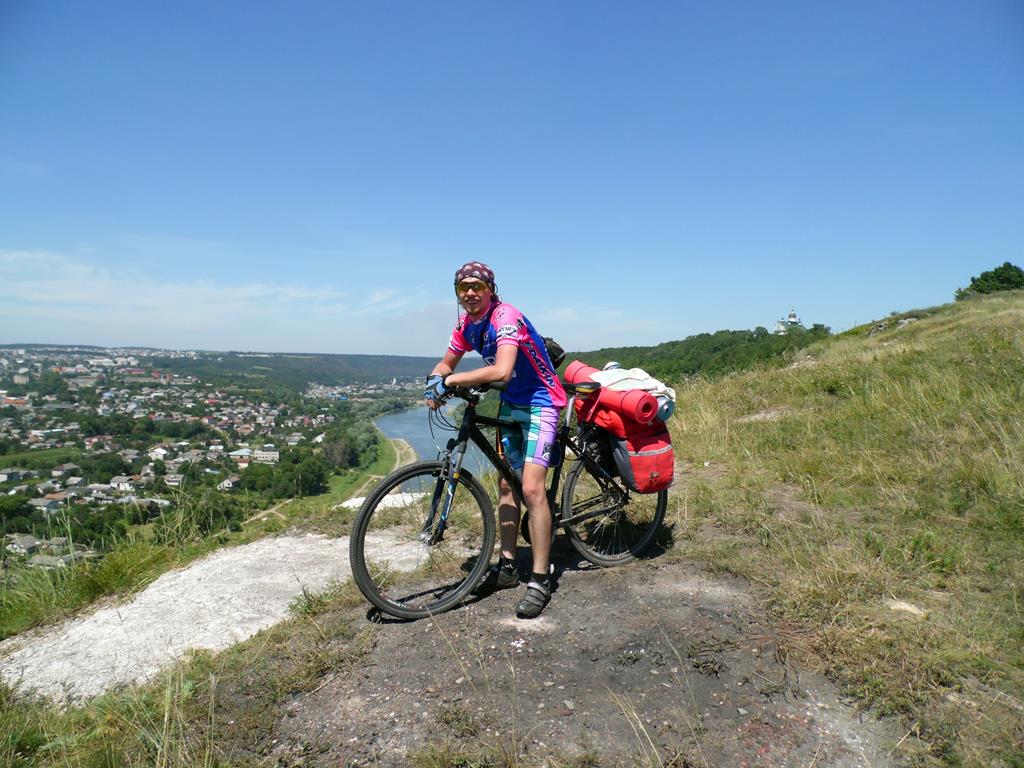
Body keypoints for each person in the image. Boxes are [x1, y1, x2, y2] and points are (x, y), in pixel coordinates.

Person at [424, 261, 567, 619]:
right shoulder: (466, 325)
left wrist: (451, 382)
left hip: (541, 402)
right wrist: (434, 380)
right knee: (506, 485)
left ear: (491, 290)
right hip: (511, 403)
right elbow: (446, 363)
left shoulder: (505, 317)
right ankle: (507, 567)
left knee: (531, 488)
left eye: (478, 286)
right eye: (463, 288)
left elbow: (502, 369)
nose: (470, 293)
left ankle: (540, 580)